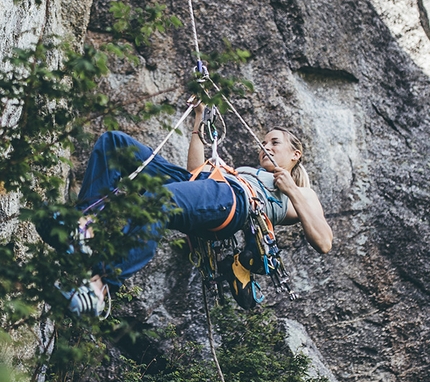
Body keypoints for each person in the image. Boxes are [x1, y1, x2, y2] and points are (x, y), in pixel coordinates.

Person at [56, 104, 332, 316]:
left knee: (156, 202)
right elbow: (194, 171)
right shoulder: (249, 171)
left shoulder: (301, 191)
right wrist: (200, 115)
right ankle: (82, 226)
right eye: (264, 142)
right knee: (114, 144)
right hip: (205, 186)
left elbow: (324, 242)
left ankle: (100, 285)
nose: (265, 146)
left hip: (233, 201)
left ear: (295, 154)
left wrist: (292, 190)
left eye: (275, 142)